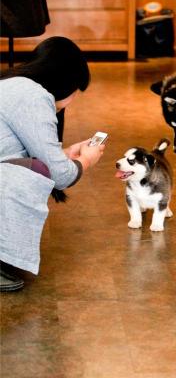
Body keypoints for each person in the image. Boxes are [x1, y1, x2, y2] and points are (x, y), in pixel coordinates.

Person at [0, 36, 105, 292]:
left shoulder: (12, 85)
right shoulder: (34, 97)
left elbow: (19, 150)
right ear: (66, 82)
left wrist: (67, 153)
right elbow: (59, 175)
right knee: (31, 174)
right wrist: (87, 160)